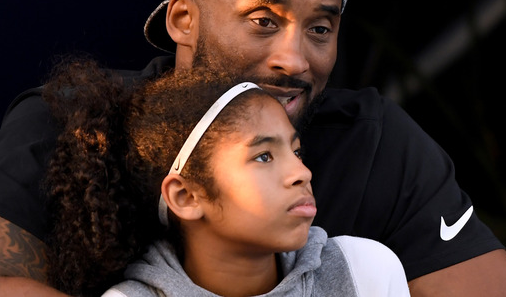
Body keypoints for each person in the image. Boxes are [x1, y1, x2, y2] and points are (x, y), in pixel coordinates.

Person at [0, 0, 506, 296]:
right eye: (264, 20)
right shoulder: (77, 122)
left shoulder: (375, 143)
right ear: (183, 19)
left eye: (320, 29)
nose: (295, 58)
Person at [41, 61, 410, 297]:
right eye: (264, 156)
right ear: (186, 196)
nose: (302, 173)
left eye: (296, 152)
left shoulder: (363, 271)